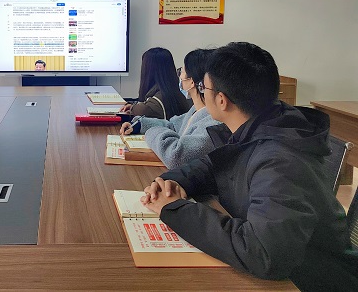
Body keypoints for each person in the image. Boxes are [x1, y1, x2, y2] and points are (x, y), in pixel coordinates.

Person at [141, 42, 356, 290]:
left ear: (221, 100)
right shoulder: (257, 125)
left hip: (311, 282)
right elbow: (212, 165)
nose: (201, 93)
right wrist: (174, 182)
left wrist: (175, 210)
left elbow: (263, 253)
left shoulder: (280, 160)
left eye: (203, 87)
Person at [120, 48, 218, 168]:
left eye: (182, 71)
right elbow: (172, 125)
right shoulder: (196, 110)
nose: (179, 75)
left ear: (192, 82)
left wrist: (151, 132)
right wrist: (140, 125)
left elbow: (176, 156)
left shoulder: (212, 123)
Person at [120, 47, 189, 119]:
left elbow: (144, 110)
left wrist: (132, 108)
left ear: (148, 71)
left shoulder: (156, 102)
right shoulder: (179, 96)